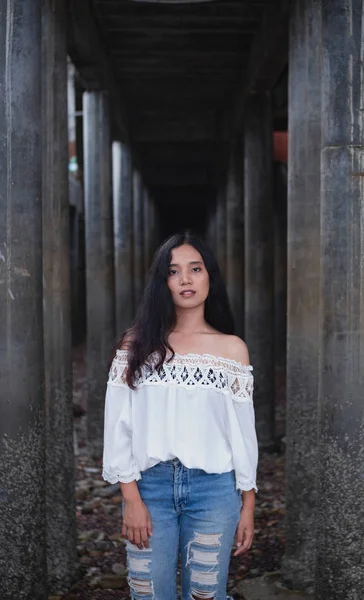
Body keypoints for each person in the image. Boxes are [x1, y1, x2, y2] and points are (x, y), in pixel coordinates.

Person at [102, 231, 258, 600]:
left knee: (206, 595)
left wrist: (248, 506)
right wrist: (131, 499)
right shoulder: (135, 346)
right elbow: (118, 427)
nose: (186, 279)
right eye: (174, 271)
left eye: (195, 268)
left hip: (214, 491)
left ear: (210, 277)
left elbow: (243, 434)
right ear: (163, 282)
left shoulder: (232, 351)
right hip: (149, 489)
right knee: (148, 594)